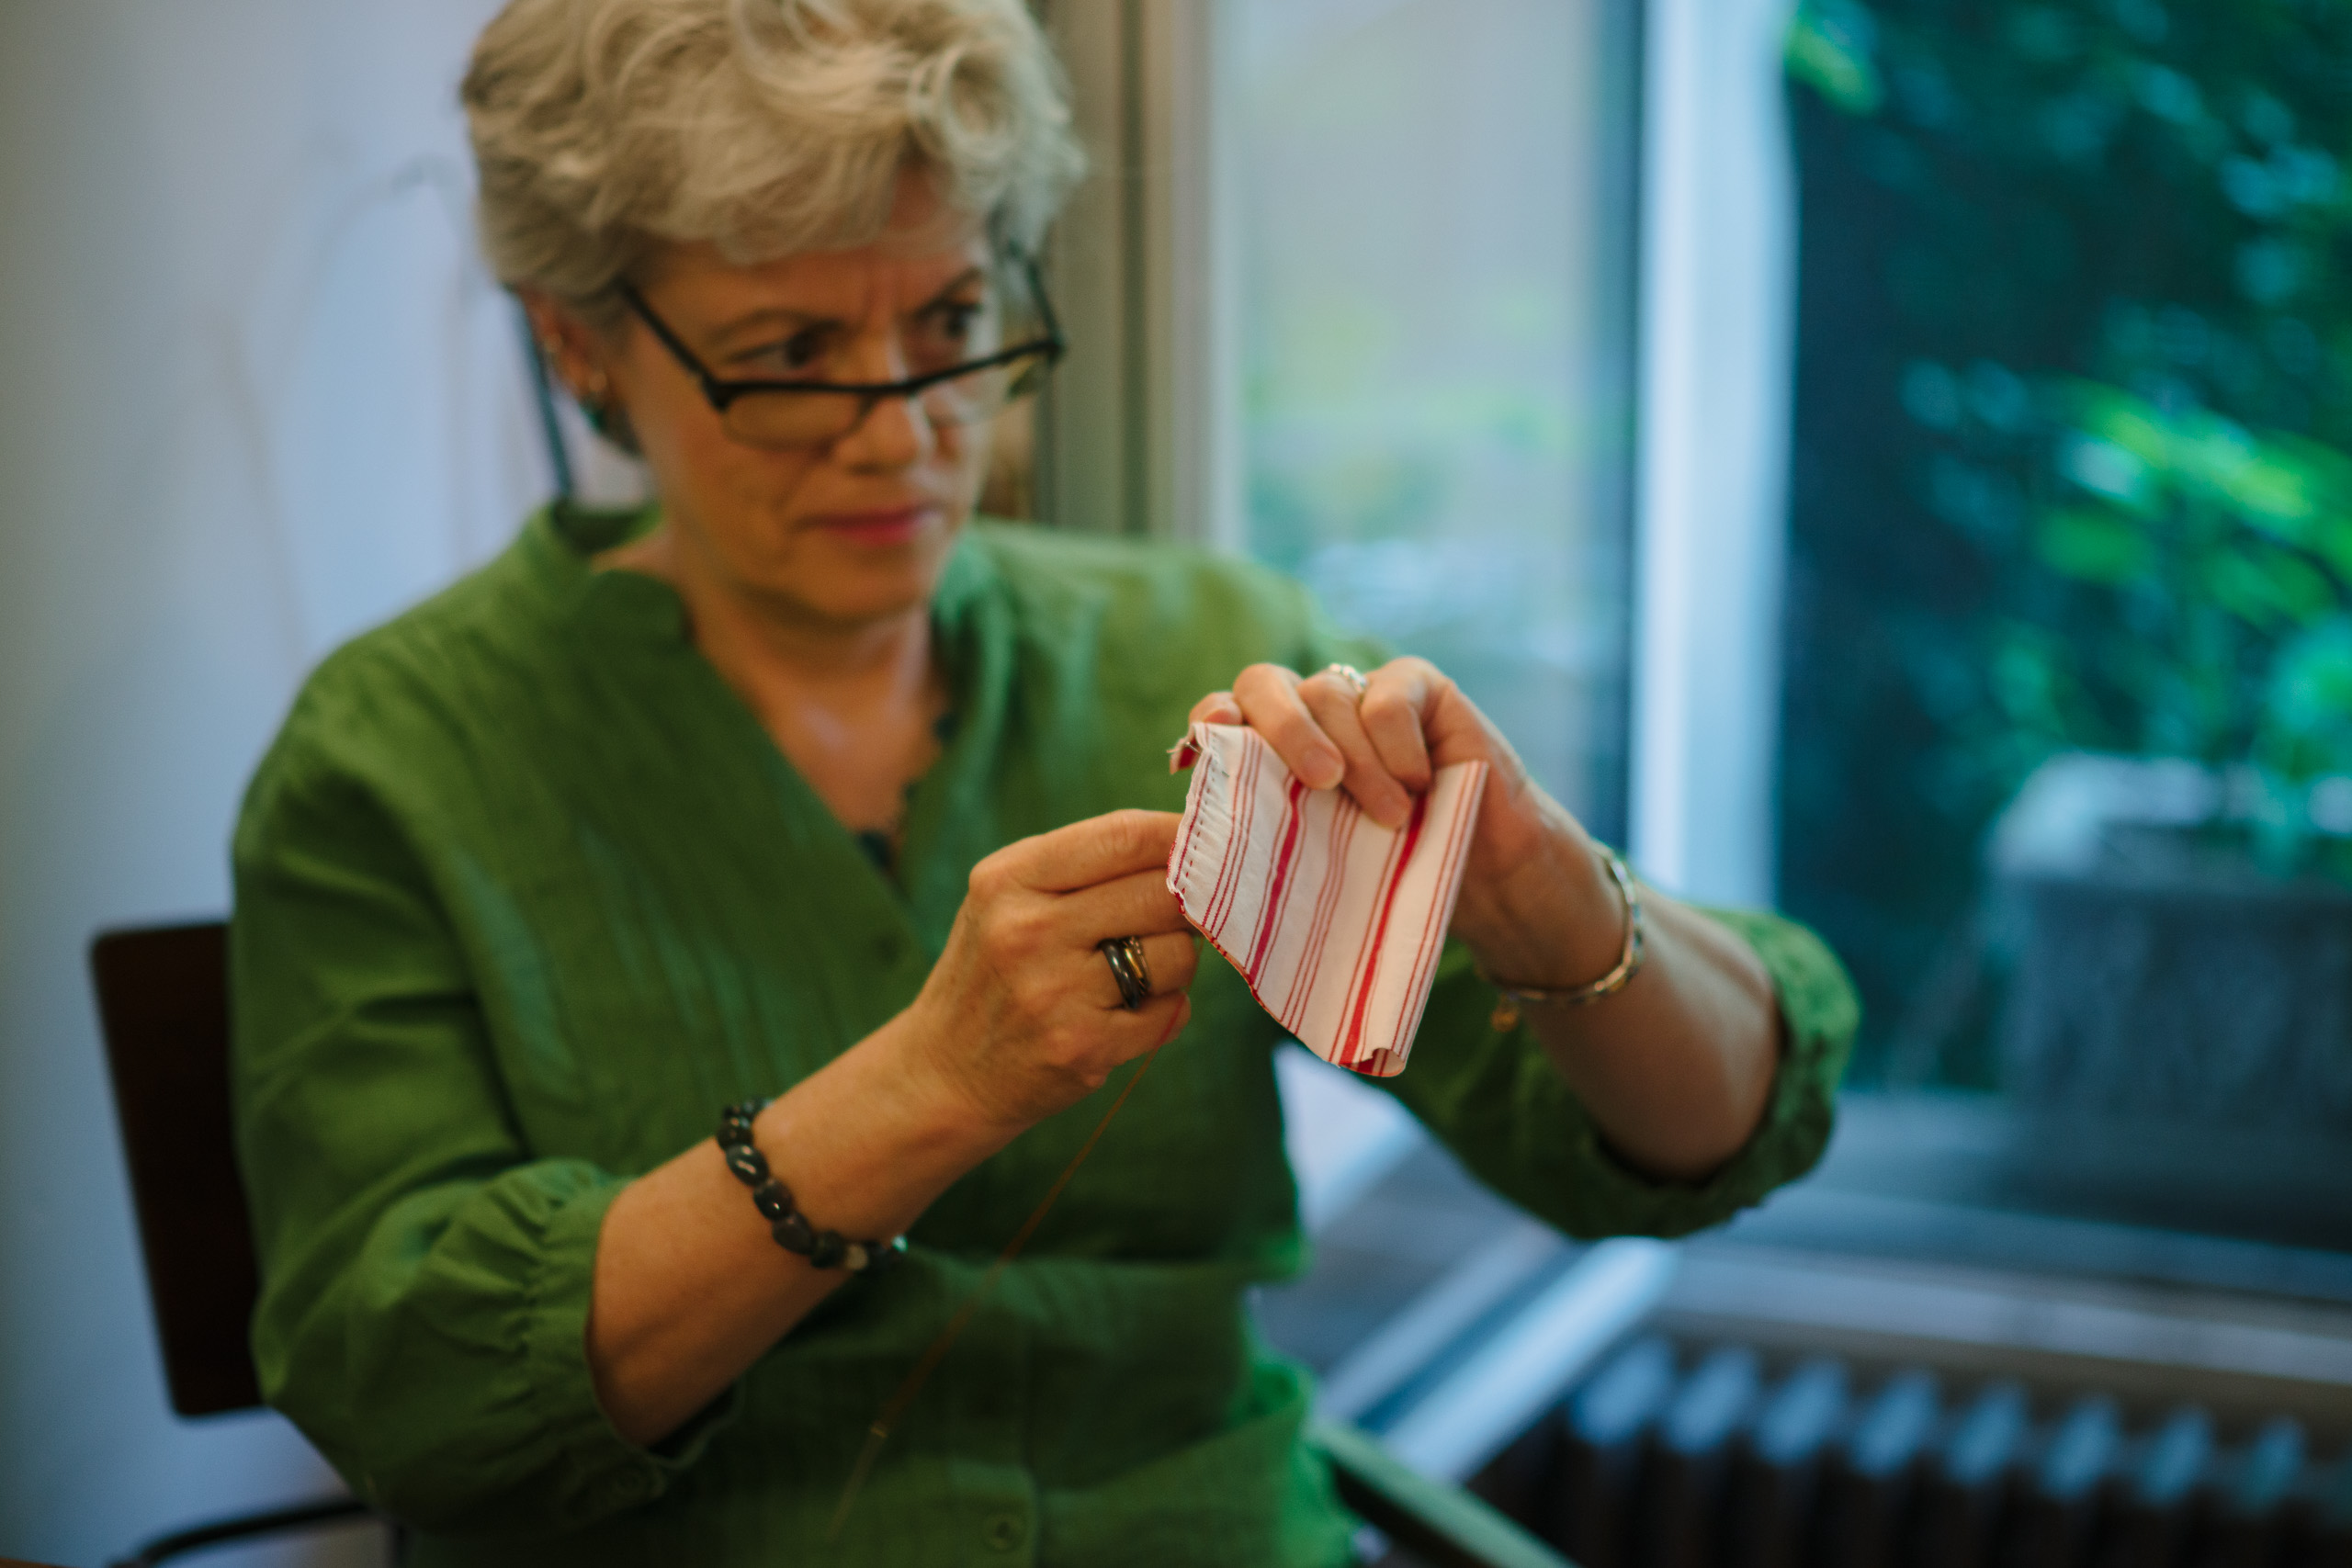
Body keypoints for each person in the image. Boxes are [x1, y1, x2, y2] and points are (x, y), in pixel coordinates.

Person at [229, 0, 1860, 1562]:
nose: (907, 436)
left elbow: (1703, 1138)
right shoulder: (399, 763)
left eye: (952, 324)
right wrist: (927, 1088)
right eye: (790, 354)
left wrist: (1549, 894)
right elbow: (408, 1396)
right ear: (579, 344)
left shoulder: (1202, 653)